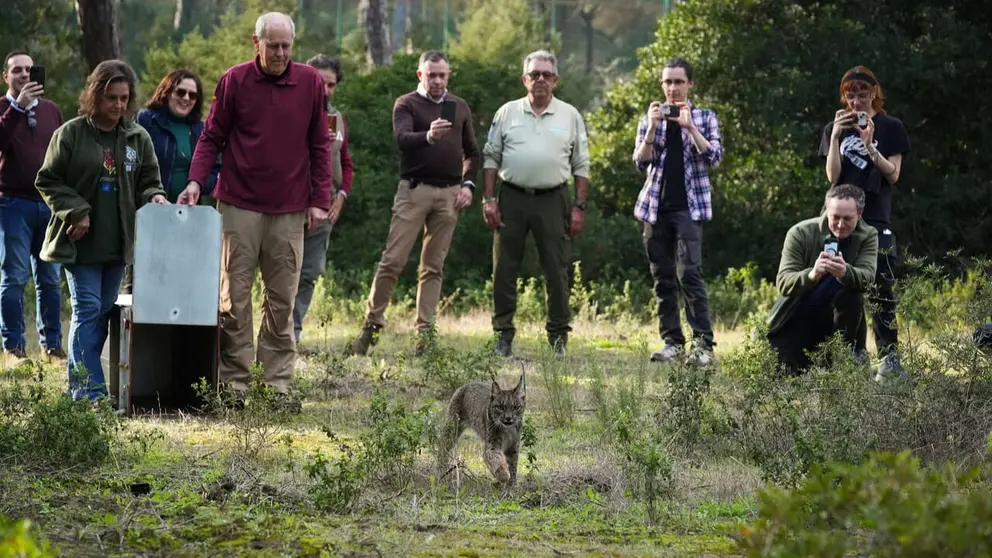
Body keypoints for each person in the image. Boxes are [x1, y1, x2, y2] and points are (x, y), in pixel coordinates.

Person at [178, 12, 332, 406]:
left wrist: (320, 201)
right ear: (256, 42)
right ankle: (234, 384)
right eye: (273, 45)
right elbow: (212, 135)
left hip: (290, 207)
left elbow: (320, 145)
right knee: (234, 297)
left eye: (286, 46)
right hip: (239, 204)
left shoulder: (311, 83)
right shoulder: (235, 80)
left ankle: (277, 384)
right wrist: (196, 181)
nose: (280, 53)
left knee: (282, 299)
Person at [34, 59, 169, 400]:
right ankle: (89, 393)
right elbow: (47, 180)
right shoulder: (71, 134)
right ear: (96, 95)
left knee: (102, 313)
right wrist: (76, 211)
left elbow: (150, 181)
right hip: (79, 245)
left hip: (118, 244)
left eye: (125, 98)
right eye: (112, 98)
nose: (119, 105)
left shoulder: (137, 138)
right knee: (87, 310)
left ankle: (79, 385)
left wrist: (155, 197)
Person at [349, 50, 479, 357]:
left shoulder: (459, 107)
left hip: (449, 194)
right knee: (393, 260)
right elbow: (402, 139)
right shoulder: (406, 103)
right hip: (414, 190)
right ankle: (371, 326)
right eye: (430, 74)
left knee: (433, 267)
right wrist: (429, 136)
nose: (436, 80)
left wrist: (468, 185)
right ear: (419, 74)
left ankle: (424, 337)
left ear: (449, 76)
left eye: (441, 75)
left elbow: (472, 151)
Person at [482, 50, 590, 359]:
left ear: (555, 80)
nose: (540, 79)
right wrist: (489, 199)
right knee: (503, 268)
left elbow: (581, 162)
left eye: (546, 74)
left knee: (557, 270)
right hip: (511, 196)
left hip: (553, 199)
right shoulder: (507, 113)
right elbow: (491, 157)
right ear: (524, 79)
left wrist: (579, 206)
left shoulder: (570, 115)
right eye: (534, 74)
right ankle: (502, 336)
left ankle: (557, 338)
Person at [820, 66, 910, 382]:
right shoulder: (836, 127)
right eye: (850, 95)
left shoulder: (891, 126)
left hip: (875, 216)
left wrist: (870, 144)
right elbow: (832, 177)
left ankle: (889, 360)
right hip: (840, 218)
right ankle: (853, 356)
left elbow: (894, 174)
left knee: (880, 286)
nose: (856, 102)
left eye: (861, 94)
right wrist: (834, 136)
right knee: (841, 286)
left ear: (873, 93)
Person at [632, 57, 723, 366]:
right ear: (662, 85)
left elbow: (715, 156)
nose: (672, 88)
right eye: (667, 82)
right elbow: (640, 162)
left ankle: (703, 345)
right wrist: (652, 127)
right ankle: (672, 342)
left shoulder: (705, 117)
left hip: (690, 209)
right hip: (655, 209)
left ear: (690, 84)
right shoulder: (652, 118)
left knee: (690, 275)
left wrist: (689, 127)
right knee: (663, 278)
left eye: (678, 82)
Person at [123, 69, 220, 294]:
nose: (186, 98)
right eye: (181, 92)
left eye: (192, 95)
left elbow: (215, 171)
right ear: (167, 92)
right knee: (140, 286)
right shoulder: (146, 120)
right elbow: (129, 163)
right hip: (149, 217)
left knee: (180, 288)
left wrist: (196, 185)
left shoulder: (201, 130)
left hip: (188, 220)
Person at [766, 185, 878, 376]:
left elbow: (868, 279)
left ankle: (845, 357)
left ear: (859, 214)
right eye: (835, 217)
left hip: (838, 321)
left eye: (847, 218)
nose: (840, 225)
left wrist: (845, 272)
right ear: (826, 210)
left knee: (853, 292)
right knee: (784, 378)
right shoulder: (800, 232)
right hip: (797, 316)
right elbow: (783, 283)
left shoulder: (868, 236)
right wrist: (812, 274)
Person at [1, 51, 66, 369]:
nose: (25, 75)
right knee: (13, 277)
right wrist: (16, 108)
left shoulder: (52, 110)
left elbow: (63, 153)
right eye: (17, 70)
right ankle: (13, 348)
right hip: (12, 203)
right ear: (6, 77)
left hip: (49, 204)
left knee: (50, 279)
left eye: (29, 69)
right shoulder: (2, 108)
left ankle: (52, 346)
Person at [294, 54, 354, 348]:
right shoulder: (291, 111)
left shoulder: (338, 119)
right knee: (282, 273)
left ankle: (293, 333)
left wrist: (342, 194)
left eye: (331, 85)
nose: (325, 90)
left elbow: (346, 162)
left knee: (310, 273)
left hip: (325, 209)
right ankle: (274, 335)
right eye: (320, 83)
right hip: (290, 206)